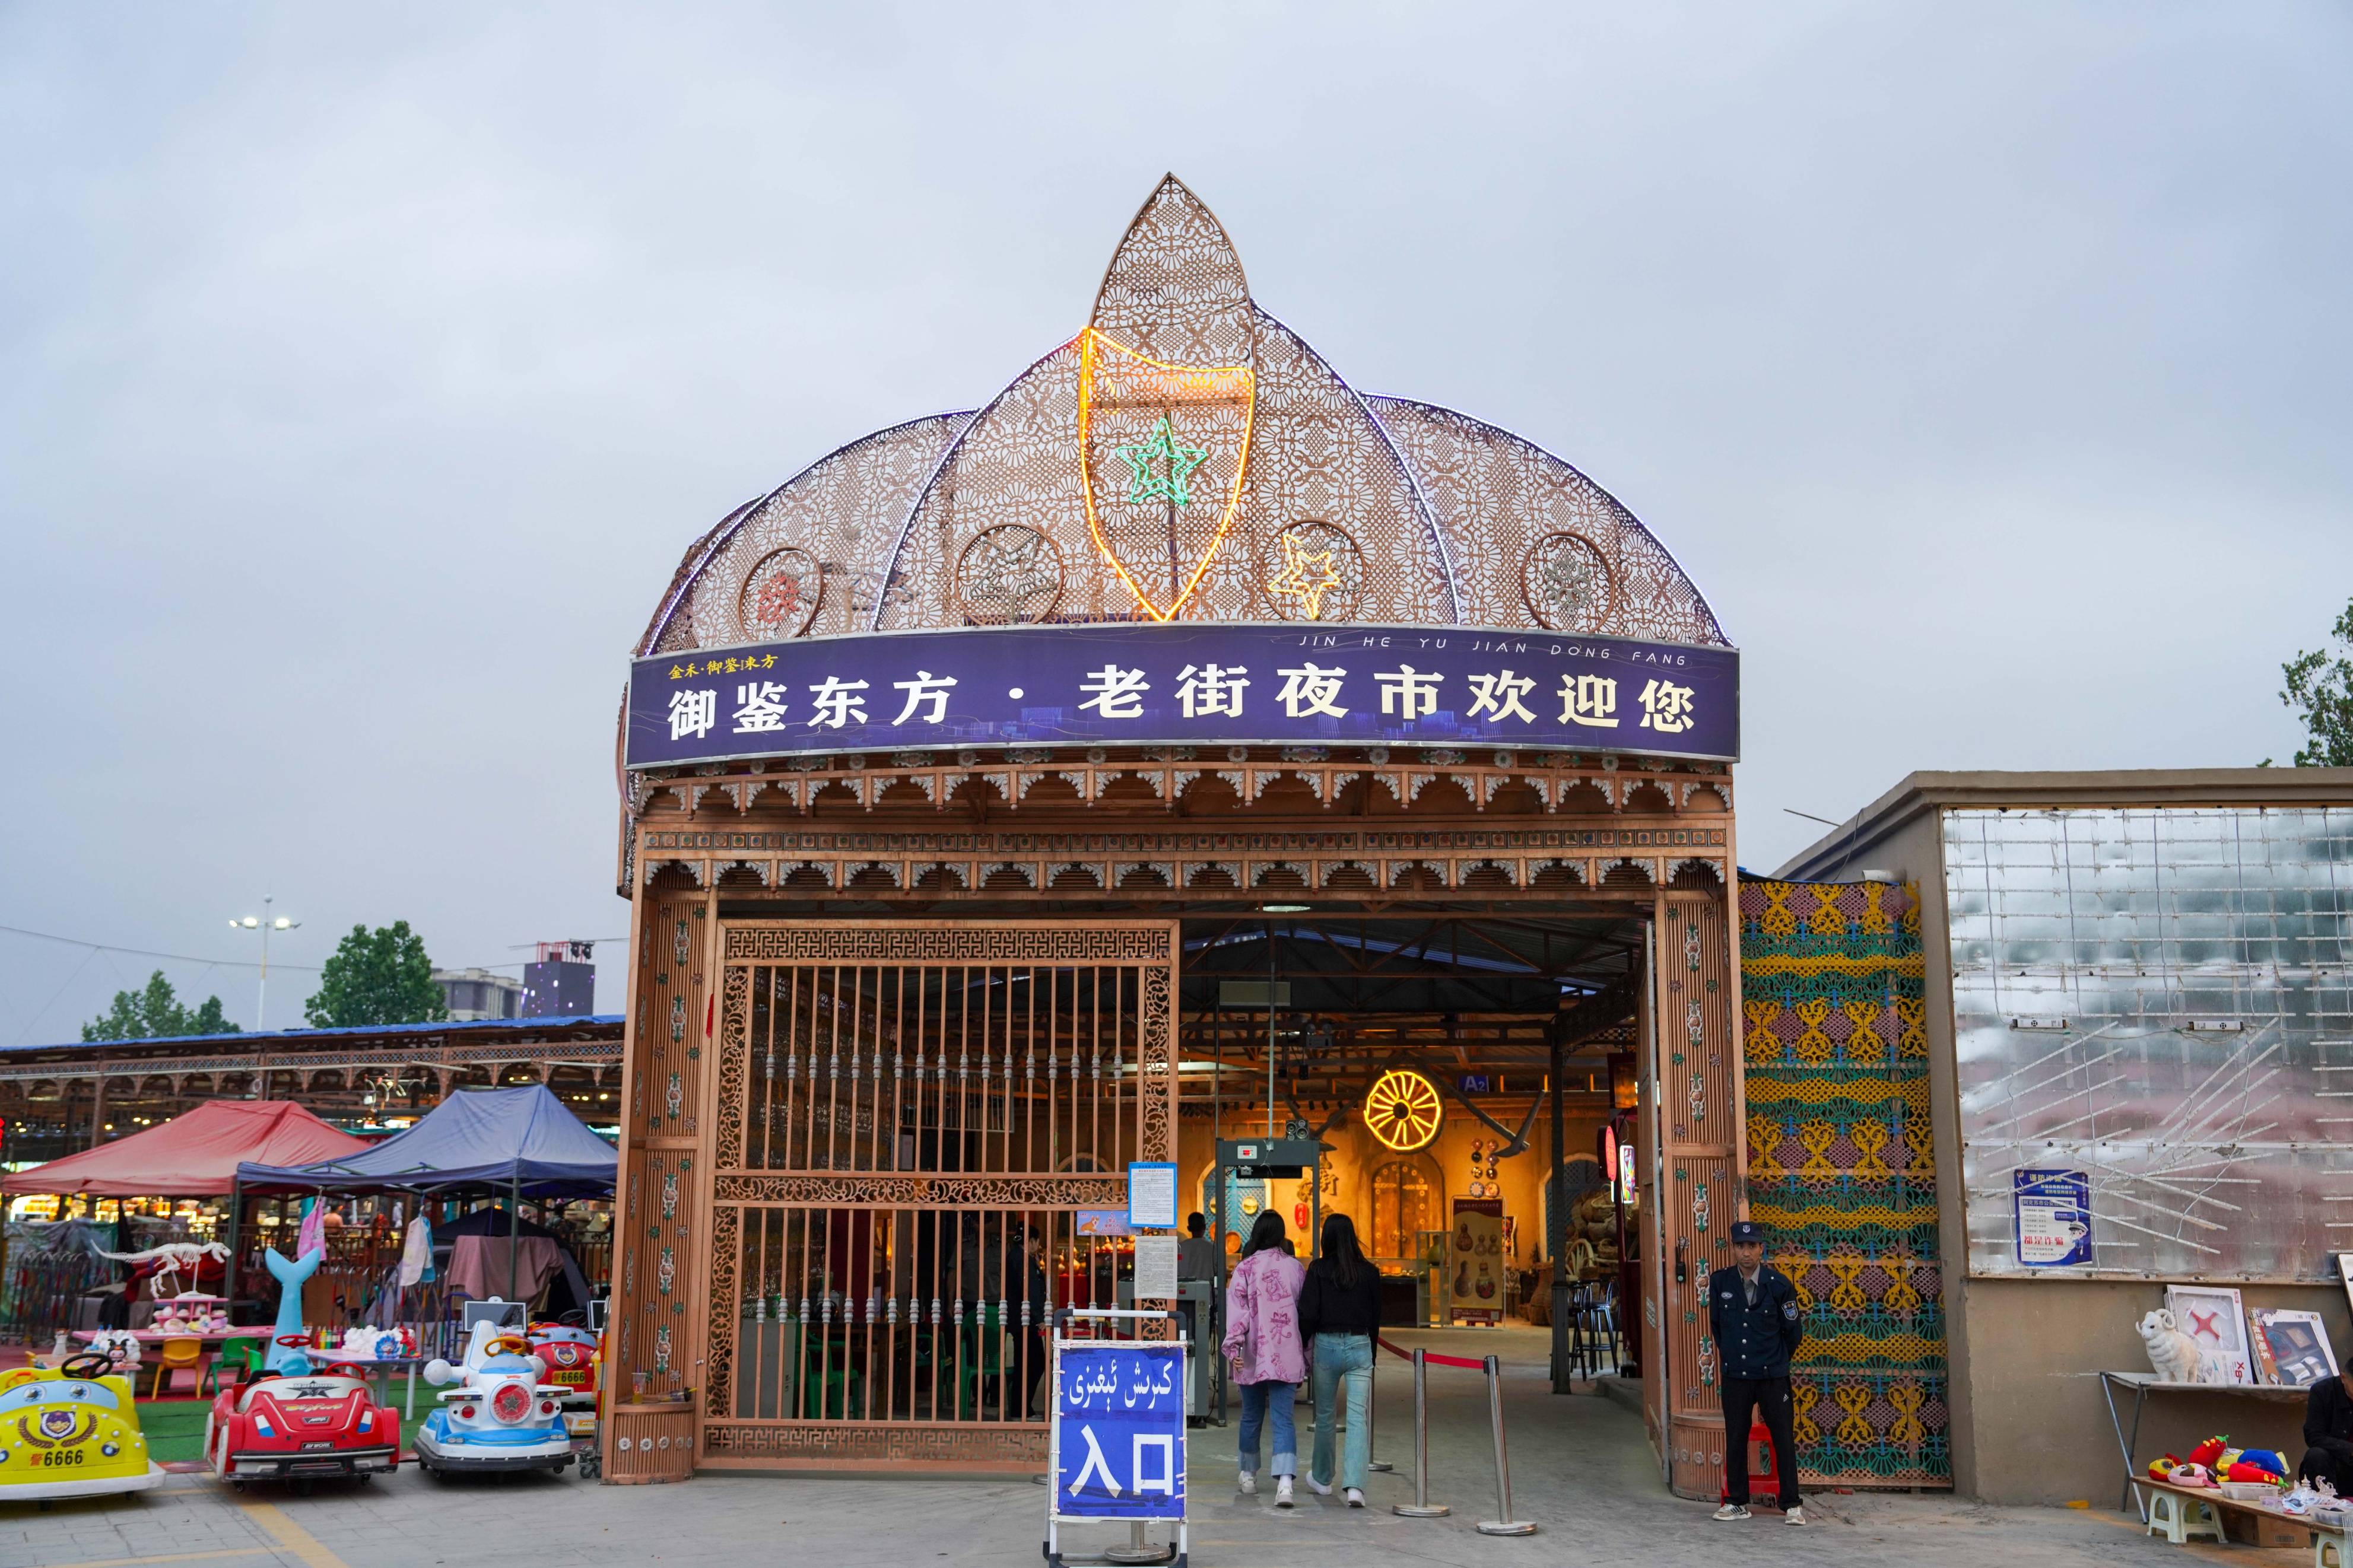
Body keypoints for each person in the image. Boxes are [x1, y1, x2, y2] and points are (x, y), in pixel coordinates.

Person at [1709, 1219, 1805, 1525]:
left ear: (1761, 1249)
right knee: (1736, 1437)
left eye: (1752, 1246)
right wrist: (1735, 1357)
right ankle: (1737, 1502)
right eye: (1740, 1246)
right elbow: (1718, 1329)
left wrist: (1776, 1360)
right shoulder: (1720, 1282)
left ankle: (1791, 1504)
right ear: (1734, 1248)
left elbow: (1793, 1332)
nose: (1746, 1252)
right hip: (1737, 1375)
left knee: (1783, 1438)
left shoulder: (1779, 1285)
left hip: (1772, 1375)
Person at [1222, 1211, 1306, 1507]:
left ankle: (1248, 1475)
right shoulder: (1296, 1269)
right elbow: (1303, 1314)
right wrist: (1306, 1354)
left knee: (1251, 1415)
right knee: (1284, 1419)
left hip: (1251, 1355)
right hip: (1286, 1353)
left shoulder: (1245, 1268)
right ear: (1281, 1234)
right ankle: (1285, 1484)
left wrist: (1233, 1349)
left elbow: (1238, 1315)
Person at [1297, 1213, 1380, 1507]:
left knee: (1326, 1417)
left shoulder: (1318, 1270)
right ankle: (1355, 1487)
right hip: (1360, 1344)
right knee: (1358, 1417)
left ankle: (1322, 1479)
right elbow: (1376, 1317)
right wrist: (1371, 1353)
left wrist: (1304, 1344)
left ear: (1326, 1238)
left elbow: (1308, 1313)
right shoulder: (1369, 1272)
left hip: (1327, 1346)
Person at [2298, 1364, 2353, 1493]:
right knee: (2316, 1455)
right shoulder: (2322, 1391)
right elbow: (2314, 1436)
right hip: (2334, 1466)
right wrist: (2349, 1449)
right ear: (2343, 1378)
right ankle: (2327, 1509)